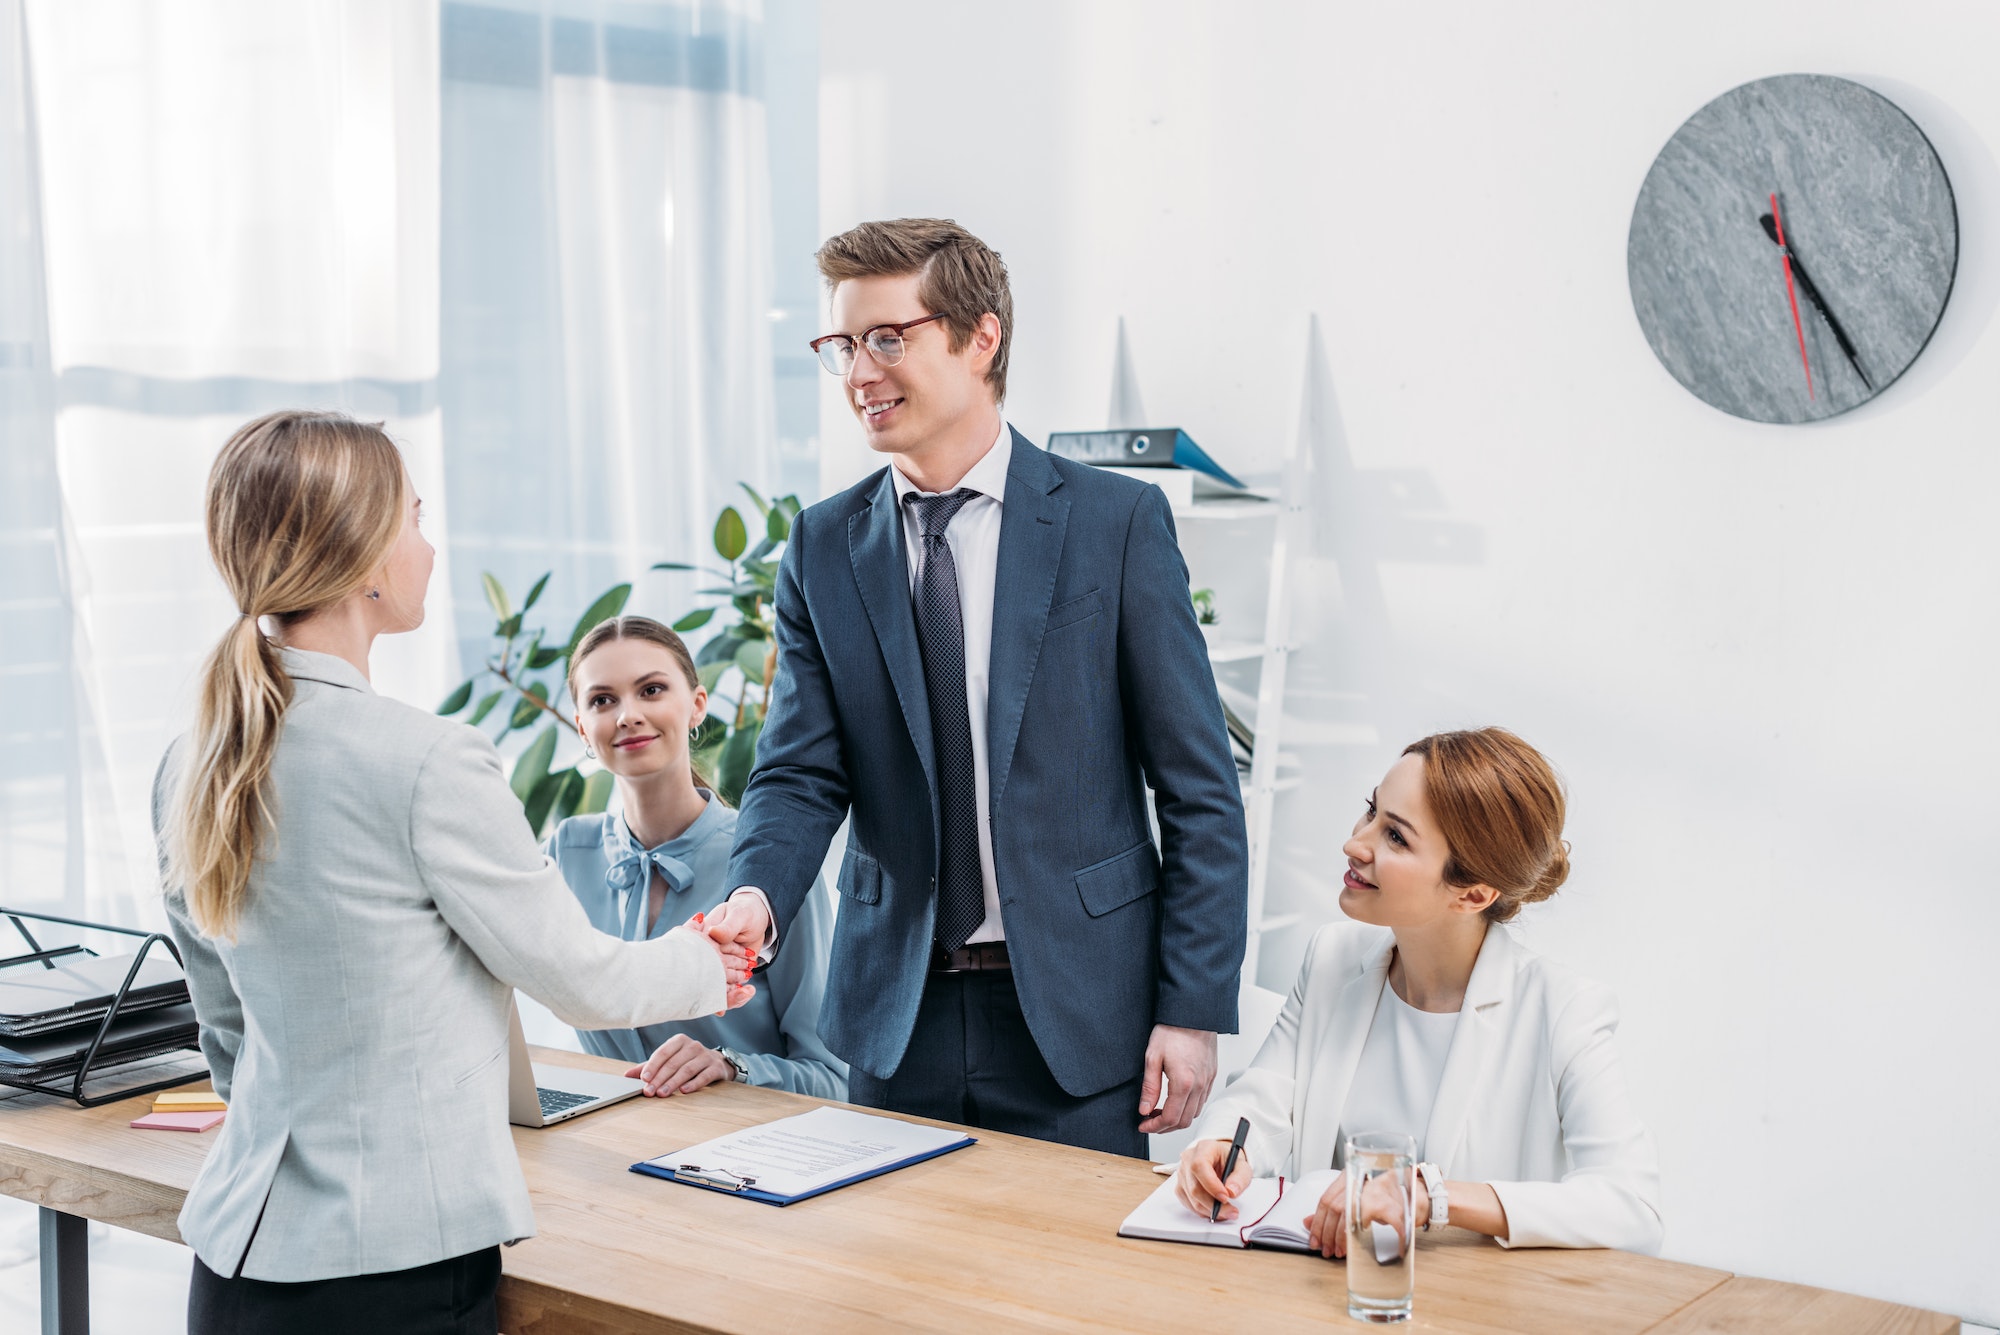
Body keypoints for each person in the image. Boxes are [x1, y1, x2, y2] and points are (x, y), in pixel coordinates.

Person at [153, 411, 753, 1335]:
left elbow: (225, 1019)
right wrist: (717, 960)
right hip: (392, 1278)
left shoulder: (193, 758)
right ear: (362, 562)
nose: (429, 549)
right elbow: (581, 978)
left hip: (236, 1264)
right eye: (416, 519)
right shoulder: (424, 760)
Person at [698, 218, 1249, 1157]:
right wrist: (756, 894)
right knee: (898, 1301)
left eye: (887, 338)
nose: (859, 374)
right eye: (841, 345)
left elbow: (1197, 788)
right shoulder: (823, 546)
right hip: (894, 1017)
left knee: (1071, 1301)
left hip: (1079, 1017)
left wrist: (1191, 1011)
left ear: (980, 335)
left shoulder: (1115, 523)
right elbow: (799, 775)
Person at [1174, 728, 1663, 1256]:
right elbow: (1266, 1100)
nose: (1355, 843)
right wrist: (1222, 1146)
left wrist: (1431, 1197)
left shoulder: (1564, 1010)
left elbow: (1633, 1209)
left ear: (1473, 893)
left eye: (1397, 837)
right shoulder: (1332, 960)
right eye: (1371, 812)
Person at [543, 617, 847, 1099]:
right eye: (603, 700)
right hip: (608, 1148)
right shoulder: (565, 854)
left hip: (748, 1152)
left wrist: (730, 1066)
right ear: (582, 727)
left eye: (651, 690)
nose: (627, 715)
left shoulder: (770, 867)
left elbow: (835, 1079)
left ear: (696, 705)